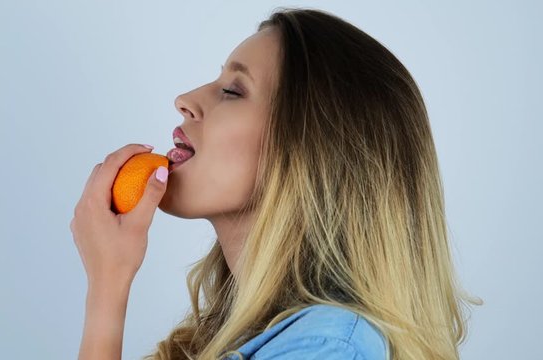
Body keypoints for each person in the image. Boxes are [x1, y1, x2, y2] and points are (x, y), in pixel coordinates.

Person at [70, 7, 479, 360]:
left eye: (232, 90)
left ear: (311, 150)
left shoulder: (328, 347)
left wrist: (107, 289)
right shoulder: (263, 339)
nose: (186, 99)